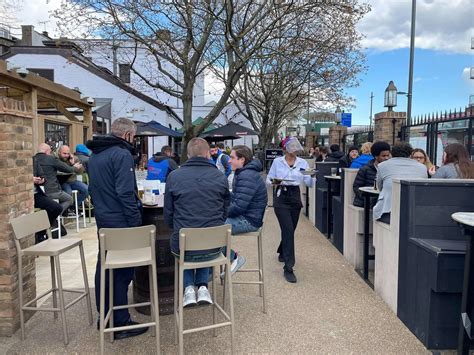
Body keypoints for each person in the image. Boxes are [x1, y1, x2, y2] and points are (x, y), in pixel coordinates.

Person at [87, 117, 147, 339]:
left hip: (104, 219)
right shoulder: (121, 154)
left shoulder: (96, 155)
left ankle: (105, 316)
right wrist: (135, 223)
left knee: (104, 268)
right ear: (128, 135)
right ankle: (120, 323)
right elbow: (125, 193)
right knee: (122, 273)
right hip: (120, 222)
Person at [164, 138, 230, 307]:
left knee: (186, 242)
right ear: (208, 154)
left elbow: (168, 215)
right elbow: (225, 210)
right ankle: (202, 286)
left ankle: (188, 288)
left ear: (187, 155)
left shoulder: (174, 176)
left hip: (185, 245)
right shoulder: (220, 176)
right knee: (202, 237)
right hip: (214, 245)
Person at [266, 137, 313, 283]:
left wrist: (311, 176)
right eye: (291, 146)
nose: (294, 149)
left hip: (295, 196)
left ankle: (282, 250)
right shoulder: (277, 162)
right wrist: (279, 181)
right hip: (281, 195)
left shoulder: (302, 162)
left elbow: (309, 183)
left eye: (295, 146)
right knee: (287, 230)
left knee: (291, 229)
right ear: (284, 148)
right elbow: (268, 180)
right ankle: (288, 267)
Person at [225, 145, 268, 274]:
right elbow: (239, 199)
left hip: (248, 221)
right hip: (250, 217)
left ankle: (234, 258)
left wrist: (219, 211)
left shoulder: (246, 175)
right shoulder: (245, 173)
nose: (229, 160)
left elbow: (238, 207)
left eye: (232, 157)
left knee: (210, 228)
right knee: (210, 225)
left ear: (242, 159)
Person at [373, 142, 428, 224]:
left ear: (392, 153)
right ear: (410, 154)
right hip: (415, 212)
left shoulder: (382, 166)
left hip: (387, 211)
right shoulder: (422, 167)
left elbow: (380, 187)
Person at [33, 143, 74, 212]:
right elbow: (69, 169)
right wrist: (73, 165)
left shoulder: (33, 159)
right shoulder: (51, 158)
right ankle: (55, 215)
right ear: (47, 151)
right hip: (52, 191)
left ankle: (53, 214)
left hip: (38, 192)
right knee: (69, 199)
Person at [33, 159, 64, 243]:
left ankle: (41, 233)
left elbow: (43, 177)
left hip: (36, 194)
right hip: (25, 196)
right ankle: (40, 234)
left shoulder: (34, 161)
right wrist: (30, 179)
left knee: (57, 208)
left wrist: (41, 180)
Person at [352, 141, 391, 207]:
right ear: (376, 156)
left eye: (388, 155)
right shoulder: (365, 169)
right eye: (383, 156)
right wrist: (370, 200)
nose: (386, 158)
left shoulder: (390, 169)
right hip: (366, 203)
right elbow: (356, 187)